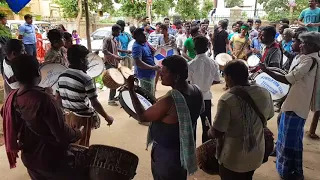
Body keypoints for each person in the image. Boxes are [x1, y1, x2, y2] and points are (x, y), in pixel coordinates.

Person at [1, 54, 84, 179]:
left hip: (30, 158)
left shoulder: (12, 98)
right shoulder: (43, 100)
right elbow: (61, 134)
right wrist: (78, 133)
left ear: (16, 76)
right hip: (52, 159)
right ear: (37, 72)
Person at [127, 55, 203, 180]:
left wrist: (131, 90)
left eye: (164, 72)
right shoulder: (197, 90)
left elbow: (142, 117)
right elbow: (197, 111)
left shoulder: (170, 100)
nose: (160, 75)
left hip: (168, 156)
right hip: (183, 150)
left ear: (176, 76)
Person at [260, 31, 320, 180]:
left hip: (297, 104)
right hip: (293, 101)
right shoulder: (305, 57)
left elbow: (289, 79)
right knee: (288, 135)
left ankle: (289, 172)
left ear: (313, 46)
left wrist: (266, 71)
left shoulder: (309, 61)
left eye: (304, 43)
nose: (300, 45)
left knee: (289, 139)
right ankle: (291, 168)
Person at [209, 60, 274, 180]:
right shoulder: (264, 92)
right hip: (256, 152)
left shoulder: (227, 99)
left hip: (233, 158)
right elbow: (269, 116)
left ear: (229, 77)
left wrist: (210, 131)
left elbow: (217, 132)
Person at [56, 45, 114, 146]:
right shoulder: (86, 78)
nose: (88, 62)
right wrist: (107, 117)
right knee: (81, 145)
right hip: (82, 118)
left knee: (70, 144)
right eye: (87, 59)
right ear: (82, 60)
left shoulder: (62, 75)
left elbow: (57, 99)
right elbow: (95, 103)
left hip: (67, 116)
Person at [188, 36, 220, 143]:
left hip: (193, 97)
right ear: (207, 49)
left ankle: (192, 151)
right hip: (206, 97)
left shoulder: (191, 64)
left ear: (194, 49)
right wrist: (207, 83)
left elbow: (187, 81)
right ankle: (205, 149)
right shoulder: (214, 63)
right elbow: (216, 80)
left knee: (192, 124)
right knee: (207, 124)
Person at [132, 28, 159, 96]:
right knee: (148, 96)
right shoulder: (136, 47)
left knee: (151, 94)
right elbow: (138, 62)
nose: (145, 37)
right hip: (145, 75)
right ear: (138, 36)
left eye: (145, 35)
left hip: (150, 74)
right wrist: (152, 67)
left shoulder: (145, 44)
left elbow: (151, 53)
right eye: (143, 35)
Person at [102, 24, 123, 106]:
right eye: (118, 31)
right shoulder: (107, 39)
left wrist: (125, 51)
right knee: (113, 81)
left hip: (114, 62)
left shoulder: (114, 39)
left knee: (116, 80)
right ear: (114, 31)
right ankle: (110, 99)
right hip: (109, 62)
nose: (119, 33)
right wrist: (114, 56)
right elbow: (104, 50)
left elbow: (115, 49)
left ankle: (112, 97)